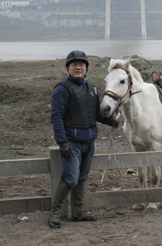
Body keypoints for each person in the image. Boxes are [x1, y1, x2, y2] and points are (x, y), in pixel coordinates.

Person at [48, 50, 119, 229]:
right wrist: (62, 142)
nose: (78, 67)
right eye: (74, 65)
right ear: (68, 68)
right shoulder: (62, 89)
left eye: (82, 65)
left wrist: (110, 121)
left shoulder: (92, 88)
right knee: (70, 178)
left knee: (82, 178)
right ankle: (55, 214)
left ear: (86, 68)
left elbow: (95, 115)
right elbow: (56, 117)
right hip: (72, 143)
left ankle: (79, 214)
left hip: (89, 143)